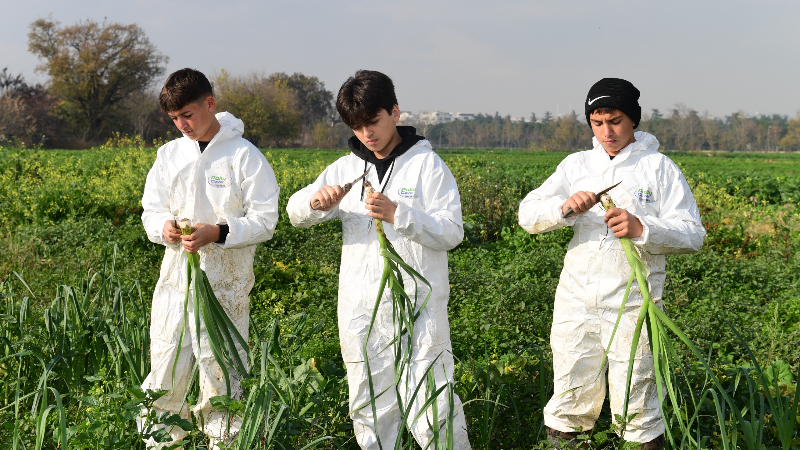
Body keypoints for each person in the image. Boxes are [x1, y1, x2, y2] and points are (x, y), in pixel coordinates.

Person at [286, 70, 471, 449]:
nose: (367, 134)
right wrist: (316, 203)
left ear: (395, 112)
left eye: (373, 122)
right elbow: (293, 212)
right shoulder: (345, 169)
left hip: (418, 307)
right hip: (361, 310)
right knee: (369, 404)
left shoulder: (427, 167)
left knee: (431, 401)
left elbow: (452, 232)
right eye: (357, 127)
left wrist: (398, 214)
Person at [518, 78, 705, 449]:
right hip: (576, 300)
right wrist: (565, 208)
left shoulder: (659, 168)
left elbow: (692, 234)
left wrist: (642, 227)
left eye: (616, 121)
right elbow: (527, 214)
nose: (607, 132)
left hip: (634, 300)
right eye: (598, 122)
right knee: (571, 389)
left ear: (633, 119)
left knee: (637, 394)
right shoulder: (576, 165)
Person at [139, 68, 280, 448]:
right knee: (165, 367)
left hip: (225, 286)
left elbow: (266, 220)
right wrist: (163, 227)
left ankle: (224, 444)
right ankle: (162, 443)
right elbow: (150, 210)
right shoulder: (169, 155)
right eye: (174, 119)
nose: (182, 125)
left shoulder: (243, 155)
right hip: (175, 283)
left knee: (222, 371)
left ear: (210, 104)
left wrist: (217, 232)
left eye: (188, 114)